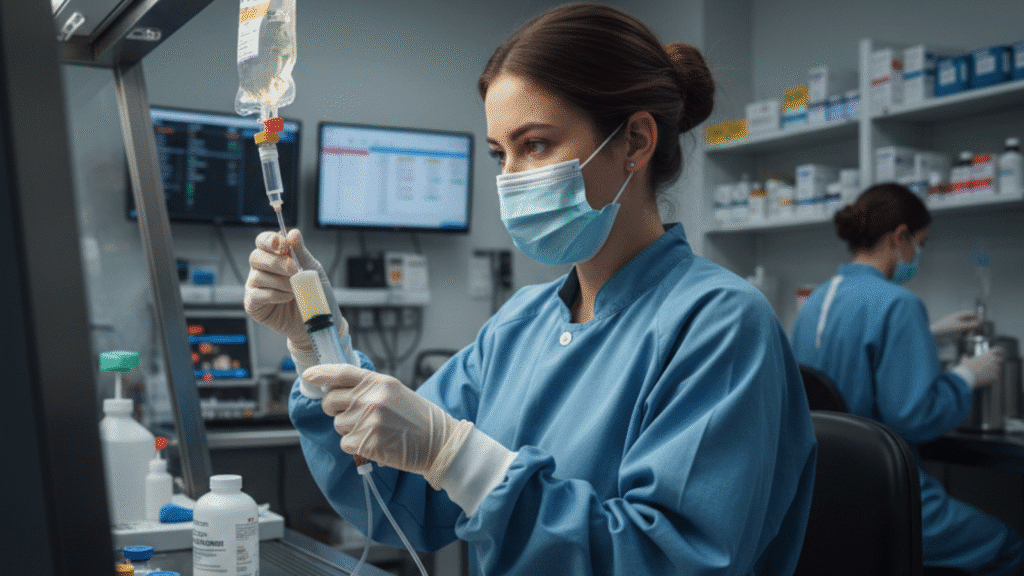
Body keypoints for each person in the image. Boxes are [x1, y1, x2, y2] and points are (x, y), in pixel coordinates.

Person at [246, 4, 816, 574]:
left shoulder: (719, 324)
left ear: (635, 142)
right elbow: (399, 499)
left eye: (536, 144)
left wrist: (459, 458)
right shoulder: (521, 325)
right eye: (500, 154)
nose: (511, 177)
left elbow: (669, 559)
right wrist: (314, 338)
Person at [790, 183, 1022, 575]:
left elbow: (842, 363)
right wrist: (966, 376)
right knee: (1008, 547)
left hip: (822, 494)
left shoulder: (818, 299)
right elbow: (915, 416)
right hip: (884, 493)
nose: (919, 253)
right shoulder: (899, 303)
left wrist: (925, 334)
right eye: (921, 241)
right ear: (900, 237)